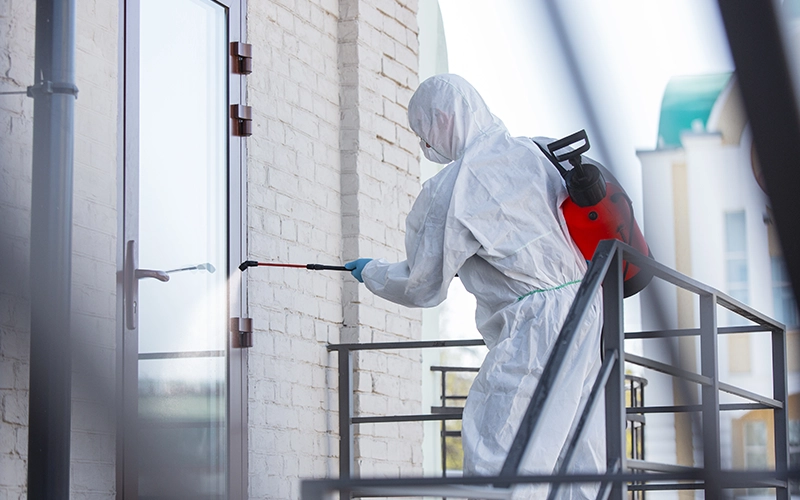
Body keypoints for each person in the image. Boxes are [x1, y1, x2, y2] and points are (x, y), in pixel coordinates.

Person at [345, 74, 604, 498]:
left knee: (497, 448)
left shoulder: (454, 186)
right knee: (575, 453)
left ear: (441, 120)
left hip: (535, 328)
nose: (424, 146)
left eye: (421, 133)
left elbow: (421, 284)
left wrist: (372, 272)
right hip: (587, 309)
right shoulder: (532, 151)